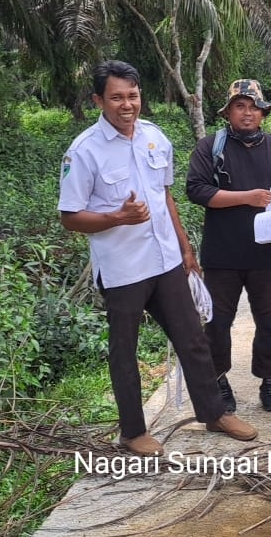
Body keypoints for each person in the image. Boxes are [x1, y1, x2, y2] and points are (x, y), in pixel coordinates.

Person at [58, 60, 257, 456]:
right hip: (123, 269)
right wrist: (118, 217)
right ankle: (133, 432)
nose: (126, 104)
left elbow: (164, 197)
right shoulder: (83, 152)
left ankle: (214, 413)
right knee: (125, 352)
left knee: (194, 339)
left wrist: (185, 249)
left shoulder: (154, 137)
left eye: (132, 96)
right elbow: (69, 217)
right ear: (99, 100)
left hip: (165, 261)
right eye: (116, 97)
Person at [186, 80, 271, 414]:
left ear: (264, 113)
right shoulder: (211, 147)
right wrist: (246, 198)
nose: (247, 113)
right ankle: (219, 380)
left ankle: (269, 381)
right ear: (229, 112)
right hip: (223, 255)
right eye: (240, 106)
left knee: (270, 321)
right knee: (218, 322)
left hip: (267, 253)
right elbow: (197, 190)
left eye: (254, 107)